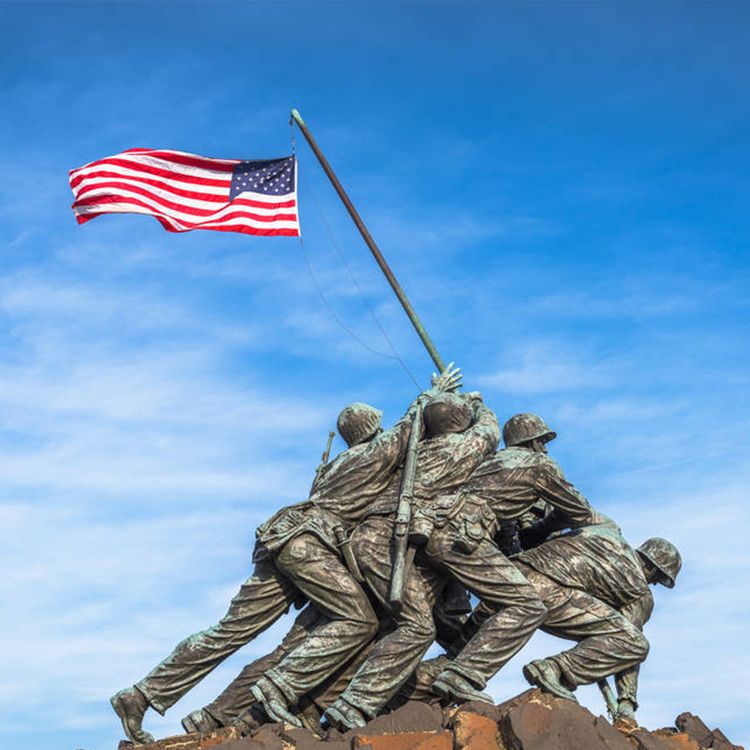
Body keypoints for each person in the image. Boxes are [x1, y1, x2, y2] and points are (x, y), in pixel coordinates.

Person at [111, 368, 460, 744]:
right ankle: (281, 687)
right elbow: (409, 430)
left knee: (229, 633)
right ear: (373, 427)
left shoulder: (335, 466)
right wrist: (432, 394)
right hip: (308, 545)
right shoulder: (371, 455)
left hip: (281, 539)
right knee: (359, 620)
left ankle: (144, 693)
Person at [323, 392, 504, 729]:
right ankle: (353, 704)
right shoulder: (461, 449)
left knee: (398, 626)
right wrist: (478, 404)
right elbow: (490, 431)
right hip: (385, 540)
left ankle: (350, 699)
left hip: (374, 538)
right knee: (417, 627)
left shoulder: (411, 453)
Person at [515, 529, 681, 727]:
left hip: (514, 572)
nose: (655, 583)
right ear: (653, 567)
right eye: (659, 578)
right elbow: (628, 642)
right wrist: (626, 703)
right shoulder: (639, 590)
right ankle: (555, 668)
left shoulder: (606, 537)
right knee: (636, 643)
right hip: (549, 592)